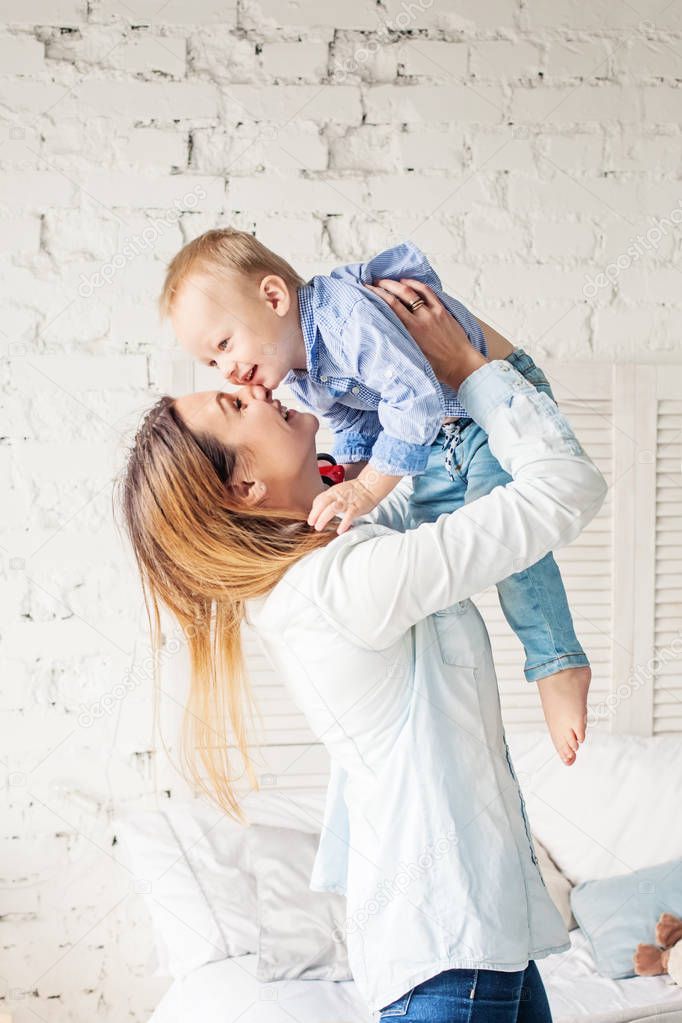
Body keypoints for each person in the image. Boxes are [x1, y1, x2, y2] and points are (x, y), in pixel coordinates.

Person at [119, 280, 606, 1021]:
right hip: (452, 956)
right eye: (232, 405)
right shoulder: (342, 585)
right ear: (243, 483)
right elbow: (564, 488)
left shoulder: (344, 549)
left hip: (479, 944)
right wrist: (470, 370)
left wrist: (426, 362)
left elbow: (459, 476)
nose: (248, 385)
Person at [158, 229, 591, 767]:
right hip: (445, 421)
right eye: (213, 364)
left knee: (511, 546)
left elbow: (413, 399)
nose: (232, 374)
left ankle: (556, 661)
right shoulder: (302, 373)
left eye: (224, 346)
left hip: (484, 400)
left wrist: (361, 485)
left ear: (274, 298)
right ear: (245, 490)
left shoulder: (344, 319)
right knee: (442, 530)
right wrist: (358, 482)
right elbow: (357, 424)